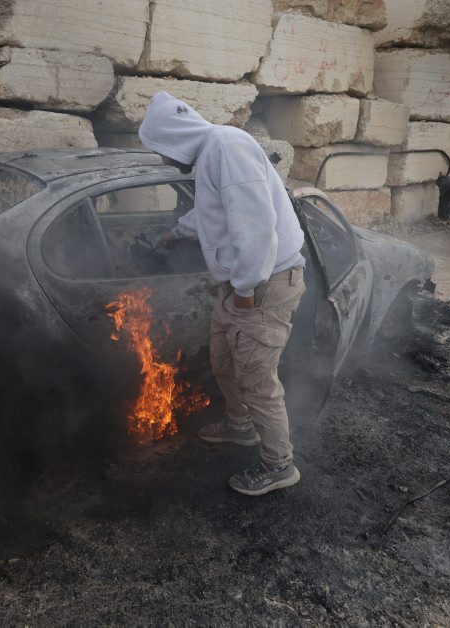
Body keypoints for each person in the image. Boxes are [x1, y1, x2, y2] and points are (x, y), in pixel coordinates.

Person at [138, 92, 306, 497]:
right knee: (224, 361)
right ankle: (239, 426)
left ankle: (279, 465)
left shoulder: (227, 147)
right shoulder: (213, 152)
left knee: (256, 378)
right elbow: (213, 211)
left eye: (160, 150)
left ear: (173, 138)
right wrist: (174, 233)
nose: (163, 160)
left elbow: (256, 226)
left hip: (264, 285)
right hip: (239, 284)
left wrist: (245, 288)